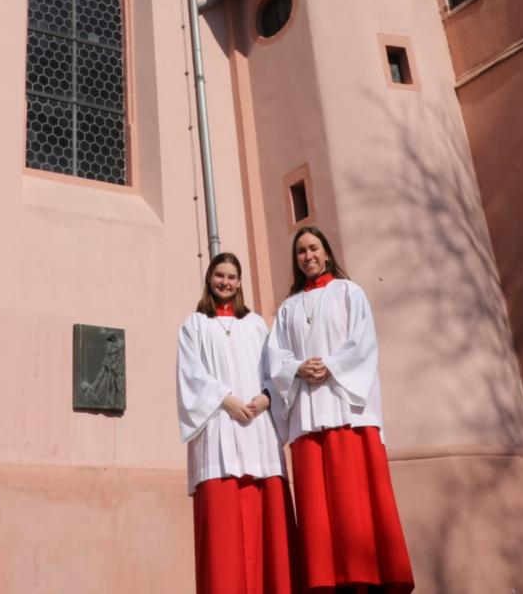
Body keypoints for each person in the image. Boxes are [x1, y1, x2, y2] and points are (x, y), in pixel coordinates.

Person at [268, 226, 413, 593]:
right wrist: (297, 368)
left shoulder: (349, 292)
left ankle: (366, 580)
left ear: (327, 253)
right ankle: (325, 581)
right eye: (301, 251)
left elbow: (363, 343)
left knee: (354, 505)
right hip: (308, 413)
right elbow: (275, 357)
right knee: (317, 510)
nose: (308, 256)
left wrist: (330, 364)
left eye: (313, 248)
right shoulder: (287, 309)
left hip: (347, 412)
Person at [177, 251, 296, 594]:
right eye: (219, 275)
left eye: (231, 276)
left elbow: (276, 370)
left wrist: (268, 397)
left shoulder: (257, 324)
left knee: (266, 530)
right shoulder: (194, 326)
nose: (225, 282)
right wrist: (225, 399)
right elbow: (190, 375)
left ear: (240, 282)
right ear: (209, 279)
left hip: (258, 429)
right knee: (224, 535)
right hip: (218, 430)